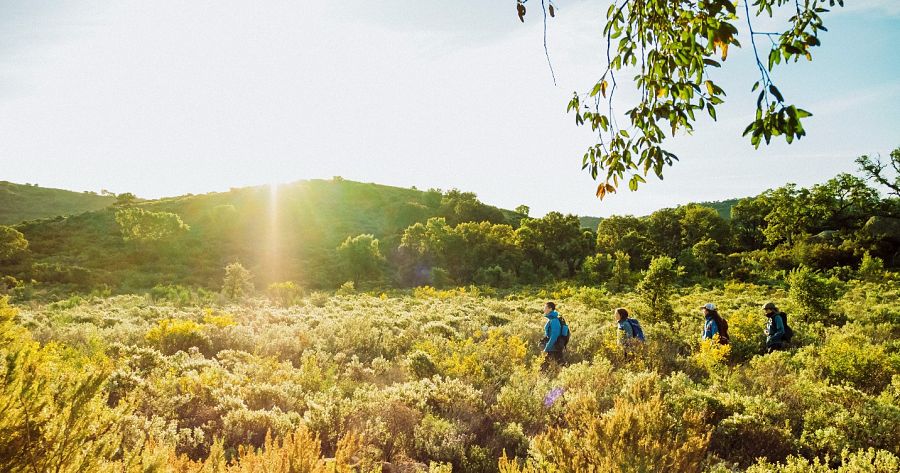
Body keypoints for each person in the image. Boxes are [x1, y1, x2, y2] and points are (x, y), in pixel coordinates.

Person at [540, 301, 569, 367]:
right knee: (560, 364)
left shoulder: (554, 320)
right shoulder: (551, 319)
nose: (544, 309)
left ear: (550, 309)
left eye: (545, 307)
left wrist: (546, 348)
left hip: (555, 347)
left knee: (546, 366)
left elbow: (554, 336)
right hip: (553, 347)